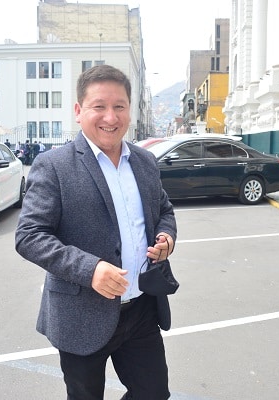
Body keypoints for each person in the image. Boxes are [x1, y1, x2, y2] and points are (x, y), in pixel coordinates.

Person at [15, 64, 177, 400]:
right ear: (78, 111)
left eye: (119, 106)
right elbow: (29, 235)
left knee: (154, 394)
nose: (110, 117)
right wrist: (91, 270)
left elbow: (164, 210)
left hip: (141, 308)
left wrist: (166, 238)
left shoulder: (145, 161)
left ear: (129, 111)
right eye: (99, 106)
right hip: (81, 316)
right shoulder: (54, 165)